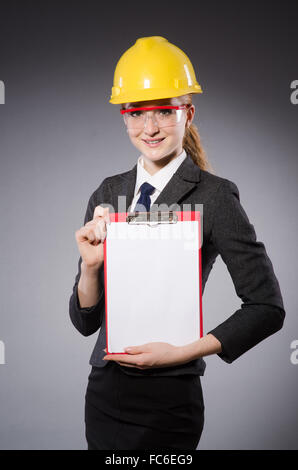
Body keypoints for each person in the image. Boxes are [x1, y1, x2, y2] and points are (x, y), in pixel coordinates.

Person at [69, 36, 285, 450]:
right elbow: (84, 323)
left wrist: (183, 352)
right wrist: (90, 268)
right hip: (105, 391)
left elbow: (267, 308)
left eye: (165, 112)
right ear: (124, 117)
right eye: (137, 113)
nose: (150, 128)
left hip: (169, 399)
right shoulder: (108, 193)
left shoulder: (215, 196)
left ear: (188, 113)